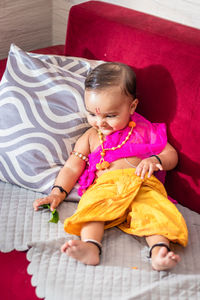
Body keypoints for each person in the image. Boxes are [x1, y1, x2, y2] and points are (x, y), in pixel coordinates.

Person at [33, 62, 188, 271]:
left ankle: (159, 250)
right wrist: (57, 193)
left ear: (132, 107)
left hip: (141, 185)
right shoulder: (89, 137)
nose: (100, 122)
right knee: (91, 208)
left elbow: (171, 154)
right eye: (93, 114)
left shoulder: (145, 130)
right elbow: (72, 167)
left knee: (155, 210)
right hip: (105, 188)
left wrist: (155, 161)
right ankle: (91, 246)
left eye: (110, 115)